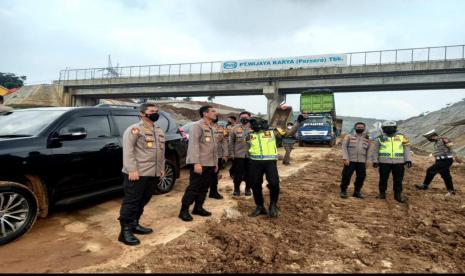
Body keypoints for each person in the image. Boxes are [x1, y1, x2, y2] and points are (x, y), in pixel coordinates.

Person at [118, 103, 165, 246]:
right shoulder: (135, 129)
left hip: (153, 172)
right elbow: (128, 150)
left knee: (144, 199)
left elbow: (161, 152)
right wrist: (132, 169)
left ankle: (134, 224)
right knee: (131, 201)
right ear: (142, 114)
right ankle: (124, 231)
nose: (155, 113)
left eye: (156, 111)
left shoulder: (158, 130)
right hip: (138, 173)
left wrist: (161, 168)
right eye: (152, 111)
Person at [248, 113, 306, 218]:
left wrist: (298, 122)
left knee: (274, 184)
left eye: (254, 122)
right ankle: (260, 206)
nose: (253, 125)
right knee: (255, 185)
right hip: (254, 162)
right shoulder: (249, 134)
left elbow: (289, 133)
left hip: (270, 162)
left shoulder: (272, 132)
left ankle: (273, 205)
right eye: (251, 123)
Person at [179, 105, 218, 221]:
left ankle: (198, 207)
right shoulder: (197, 126)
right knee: (194, 187)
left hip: (210, 164)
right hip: (200, 163)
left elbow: (213, 147)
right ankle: (184, 210)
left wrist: (215, 163)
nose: (215, 113)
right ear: (205, 113)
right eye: (213, 111)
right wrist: (196, 163)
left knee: (204, 188)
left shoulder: (211, 127)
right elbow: (193, 145)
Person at [372, 120, 412, 203]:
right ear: (383, 129)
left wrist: (408, 159)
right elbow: (375, 150)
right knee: (383, 179)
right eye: (387, 128)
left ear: (395, 128)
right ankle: (382, 194)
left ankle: (397, 195)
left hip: (399, 163)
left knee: (398, 180)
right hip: (384, 162)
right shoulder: (380, 138)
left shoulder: (402, 137)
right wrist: (375, 160)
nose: (389, 129)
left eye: (391, 127)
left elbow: (406, 148)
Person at [415, 129, 463, 196]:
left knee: (430, 170)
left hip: (446, 160)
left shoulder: (443, 139)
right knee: (446, 175)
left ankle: (425, 186)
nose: (429, 139)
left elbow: (451, 146)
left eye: (429, 138)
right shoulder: (436, 143)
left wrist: (456, 157)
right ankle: (451, 191)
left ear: (433, 136)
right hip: (440, 160)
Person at [340, 122, 371, 199]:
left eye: (361, 127)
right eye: (358, 127)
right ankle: (343, 191)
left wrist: (368, 161)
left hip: (361, 161)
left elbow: (369, 150)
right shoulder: (348, 136)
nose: (360, 128)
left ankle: (357, 192)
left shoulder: (367, 138)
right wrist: (345, 158)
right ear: (355, 127)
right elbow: (344, 147)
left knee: (361, 177)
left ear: (364, 128)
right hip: (350, 160)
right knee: (346, 176)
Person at [229, 111, 252, 196]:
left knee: (250, 173)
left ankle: (248, 189)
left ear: (249, 117)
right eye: (242, 117)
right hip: (239, 155)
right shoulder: (235, 128)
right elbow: (231, 142)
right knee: (237, 174)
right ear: (239, 118)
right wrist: (231, 154)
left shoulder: (254, 127)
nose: (244, 119)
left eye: (246, 117)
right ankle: (236, 189)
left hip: (251, 155)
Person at [209, 116, 228, 199]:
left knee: (214, 175)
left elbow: (224, 142)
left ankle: (213, 192)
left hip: (218, 156)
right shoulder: (203, 127)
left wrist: (225, 155)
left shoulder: (221, 129)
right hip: (206, 155)